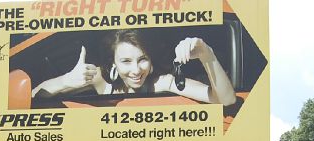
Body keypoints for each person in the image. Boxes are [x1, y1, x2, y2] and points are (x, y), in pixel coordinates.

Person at [31, 29, 236, 106]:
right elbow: (34, 96)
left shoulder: (163, 82)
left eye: (142, 59)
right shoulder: (99, 78)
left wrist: (206, 55)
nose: (136, 70)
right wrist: (65, 81)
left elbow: (225, 99)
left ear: (152, 60)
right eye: (126, 62)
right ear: (113, 63)